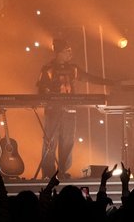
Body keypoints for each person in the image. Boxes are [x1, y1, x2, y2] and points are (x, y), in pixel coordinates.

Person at [36, 38, 111, 179]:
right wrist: (48, 95)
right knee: (49, 141)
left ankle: (63, 172)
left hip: (70, 110)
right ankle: (48, 173)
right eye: (67, 51)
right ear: (59, 52)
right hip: (53, 110)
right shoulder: (47, 68)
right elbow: (41, 88)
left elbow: (89, 78)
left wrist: (109, 83)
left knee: (68, 140)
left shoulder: (73, 69)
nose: (70, 54)